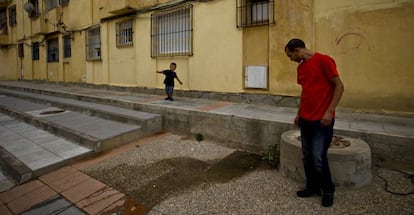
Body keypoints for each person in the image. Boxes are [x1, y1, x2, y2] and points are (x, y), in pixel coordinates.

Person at [284, 38, 344, 207]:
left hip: (321, 120)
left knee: (318, 157)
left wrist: (329, 111)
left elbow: (339, 86)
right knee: (307, 156)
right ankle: (312, 187)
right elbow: (306, 92)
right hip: (306, 119)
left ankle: (328, 191)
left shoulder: (324, 60)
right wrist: (298, 114)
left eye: (290, 56)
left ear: (297, 50)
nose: (291, 60)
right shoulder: (301, 68)